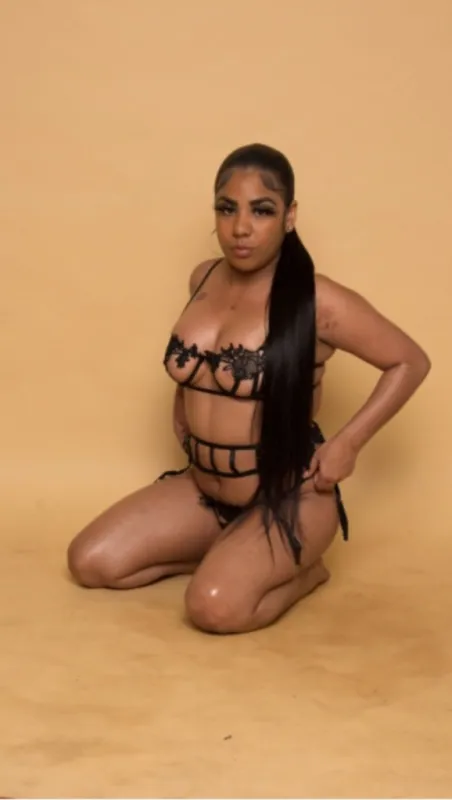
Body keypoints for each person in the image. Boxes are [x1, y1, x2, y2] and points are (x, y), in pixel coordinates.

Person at [67, 143, 431, 635]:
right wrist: (182, 409)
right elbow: (197, 369)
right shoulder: (203, 278)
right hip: (205, 488)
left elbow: (409, 361)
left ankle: (304, 572)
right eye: (227, 208)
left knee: (213, 608)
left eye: (262, 210)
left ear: (289, 216)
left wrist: (348, 443)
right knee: (91, 562)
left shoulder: (316, 300)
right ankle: (229, 552)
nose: (240, 227)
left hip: (289, 494)